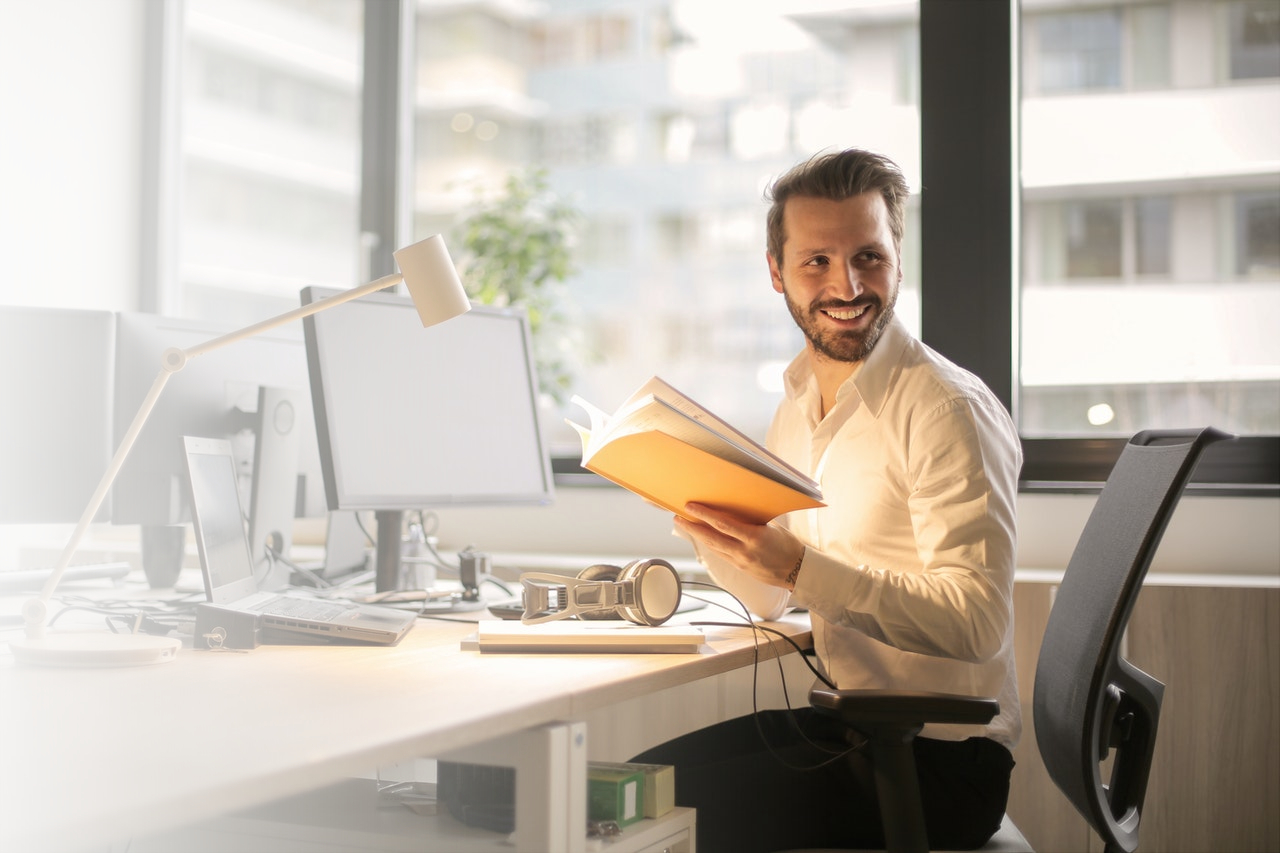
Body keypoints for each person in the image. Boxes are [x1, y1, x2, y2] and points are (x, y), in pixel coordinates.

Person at [631, 148, 1022, 852]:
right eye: (817, 262)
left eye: (869, 256)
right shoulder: (800, 401)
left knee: (643, 824)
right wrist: (706, 521)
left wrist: (798, 566)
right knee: (626, 788)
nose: (847, 285)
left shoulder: (944, 408)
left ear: (898, 257)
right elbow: (771, 600)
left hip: (939, 763)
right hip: (851, 727)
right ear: (776, 273)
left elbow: (977, 621)